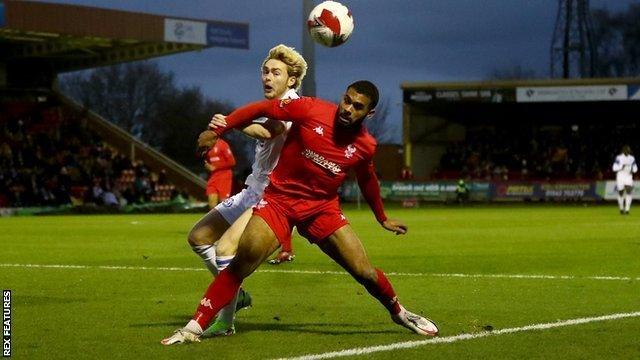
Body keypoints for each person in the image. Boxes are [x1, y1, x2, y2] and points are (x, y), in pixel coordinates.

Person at [161, 80, 439, 345]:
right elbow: (262, 109)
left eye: (357, 107)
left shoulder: (366, 145)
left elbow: (367, 180)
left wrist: (382, 217)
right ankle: (193, 327)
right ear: (342, 96)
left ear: (370, 113)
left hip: (322, 210)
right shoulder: (311, 109)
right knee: (241, 263)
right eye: (347, 100)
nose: (348, 109)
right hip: (280, 202)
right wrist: (217, 131)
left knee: (364, 271)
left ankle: (400, 313)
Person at [186, 44, 307, 337]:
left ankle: (225, 322)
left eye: (275, 72)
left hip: (272, 196)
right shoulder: (272, 105)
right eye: (265, 71)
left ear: (291, 80)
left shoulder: (292, 104)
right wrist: (227, 125)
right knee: (198, 238)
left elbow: (269, 131)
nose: (267, 77)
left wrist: (230, 124)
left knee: (226, 250)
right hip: (252, 190)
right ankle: (236, 296)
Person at [204, 137, 236, 209]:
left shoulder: (223, 144)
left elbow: (232, 162)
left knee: (224, 204)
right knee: (212, 204)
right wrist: (208, 165)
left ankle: (230, 219)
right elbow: (210, 160)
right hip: (213, 176)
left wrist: (215, 167)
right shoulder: (208, 146)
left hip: (224, 176)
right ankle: (214, 219)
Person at [612, 145, 637, 215]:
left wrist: (633, 170)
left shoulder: (632, 158)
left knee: (629, 191)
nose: (627, 151)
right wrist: (621, 167)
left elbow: (635, 168)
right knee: (621, 192)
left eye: (628, 150)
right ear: (623, 151)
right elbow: (614, 168)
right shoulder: (618, 158)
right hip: (620, 176)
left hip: (628, 176)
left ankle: (627, 209)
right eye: (626, 150)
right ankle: (621, 208)